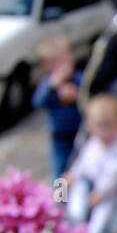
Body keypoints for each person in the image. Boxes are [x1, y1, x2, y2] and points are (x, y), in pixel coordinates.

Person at [66, 94, 117, 233]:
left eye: (109, 125)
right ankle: (74, 220)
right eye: (99, 126)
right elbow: (81, 162)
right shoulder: (92, 143)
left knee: (103, 210)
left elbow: (115, 175)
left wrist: (101, 192)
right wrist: (73, 174)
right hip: (87, 181)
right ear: (89, 126)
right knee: (77, 191)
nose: (105, 131)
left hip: (108, 191)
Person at [30, 35, 82, 179]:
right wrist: (52, 86)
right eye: (56, 63)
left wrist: (77, 96)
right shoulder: (47, 84)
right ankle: (60, 199)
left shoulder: (79, 79)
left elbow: (91, 99)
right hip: (59, 137)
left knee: (81, 167)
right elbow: (37, 102)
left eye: (65, 59)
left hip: (81, 132)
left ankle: (81, 197)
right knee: (60, 170)